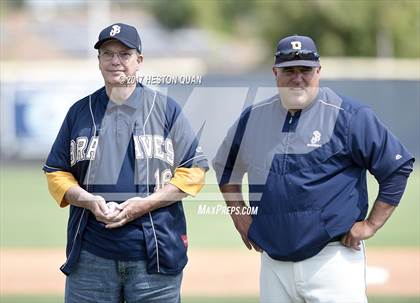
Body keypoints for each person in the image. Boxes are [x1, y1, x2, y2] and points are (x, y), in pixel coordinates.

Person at [213, 35, 414, 303]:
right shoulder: (254, 118)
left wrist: (370, 225)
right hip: (274, 263)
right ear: (275, 72)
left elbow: (397, 165)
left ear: (318, 71)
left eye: (305, 69)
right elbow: (226, 165)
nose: (298, 78)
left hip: (333, 259)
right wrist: (239, 216)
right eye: (289, 70)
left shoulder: (348, 115)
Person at [43, 23, 208, 303]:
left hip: (155, 258)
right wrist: (86, 199)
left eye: (125, 54)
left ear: (139, 60)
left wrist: (146, 204)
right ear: (99, 61)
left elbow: (194, 171)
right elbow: (56, 172)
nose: (116, 61)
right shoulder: (80, 112)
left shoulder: (166, 110)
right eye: (108, 53)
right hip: (91, 258)